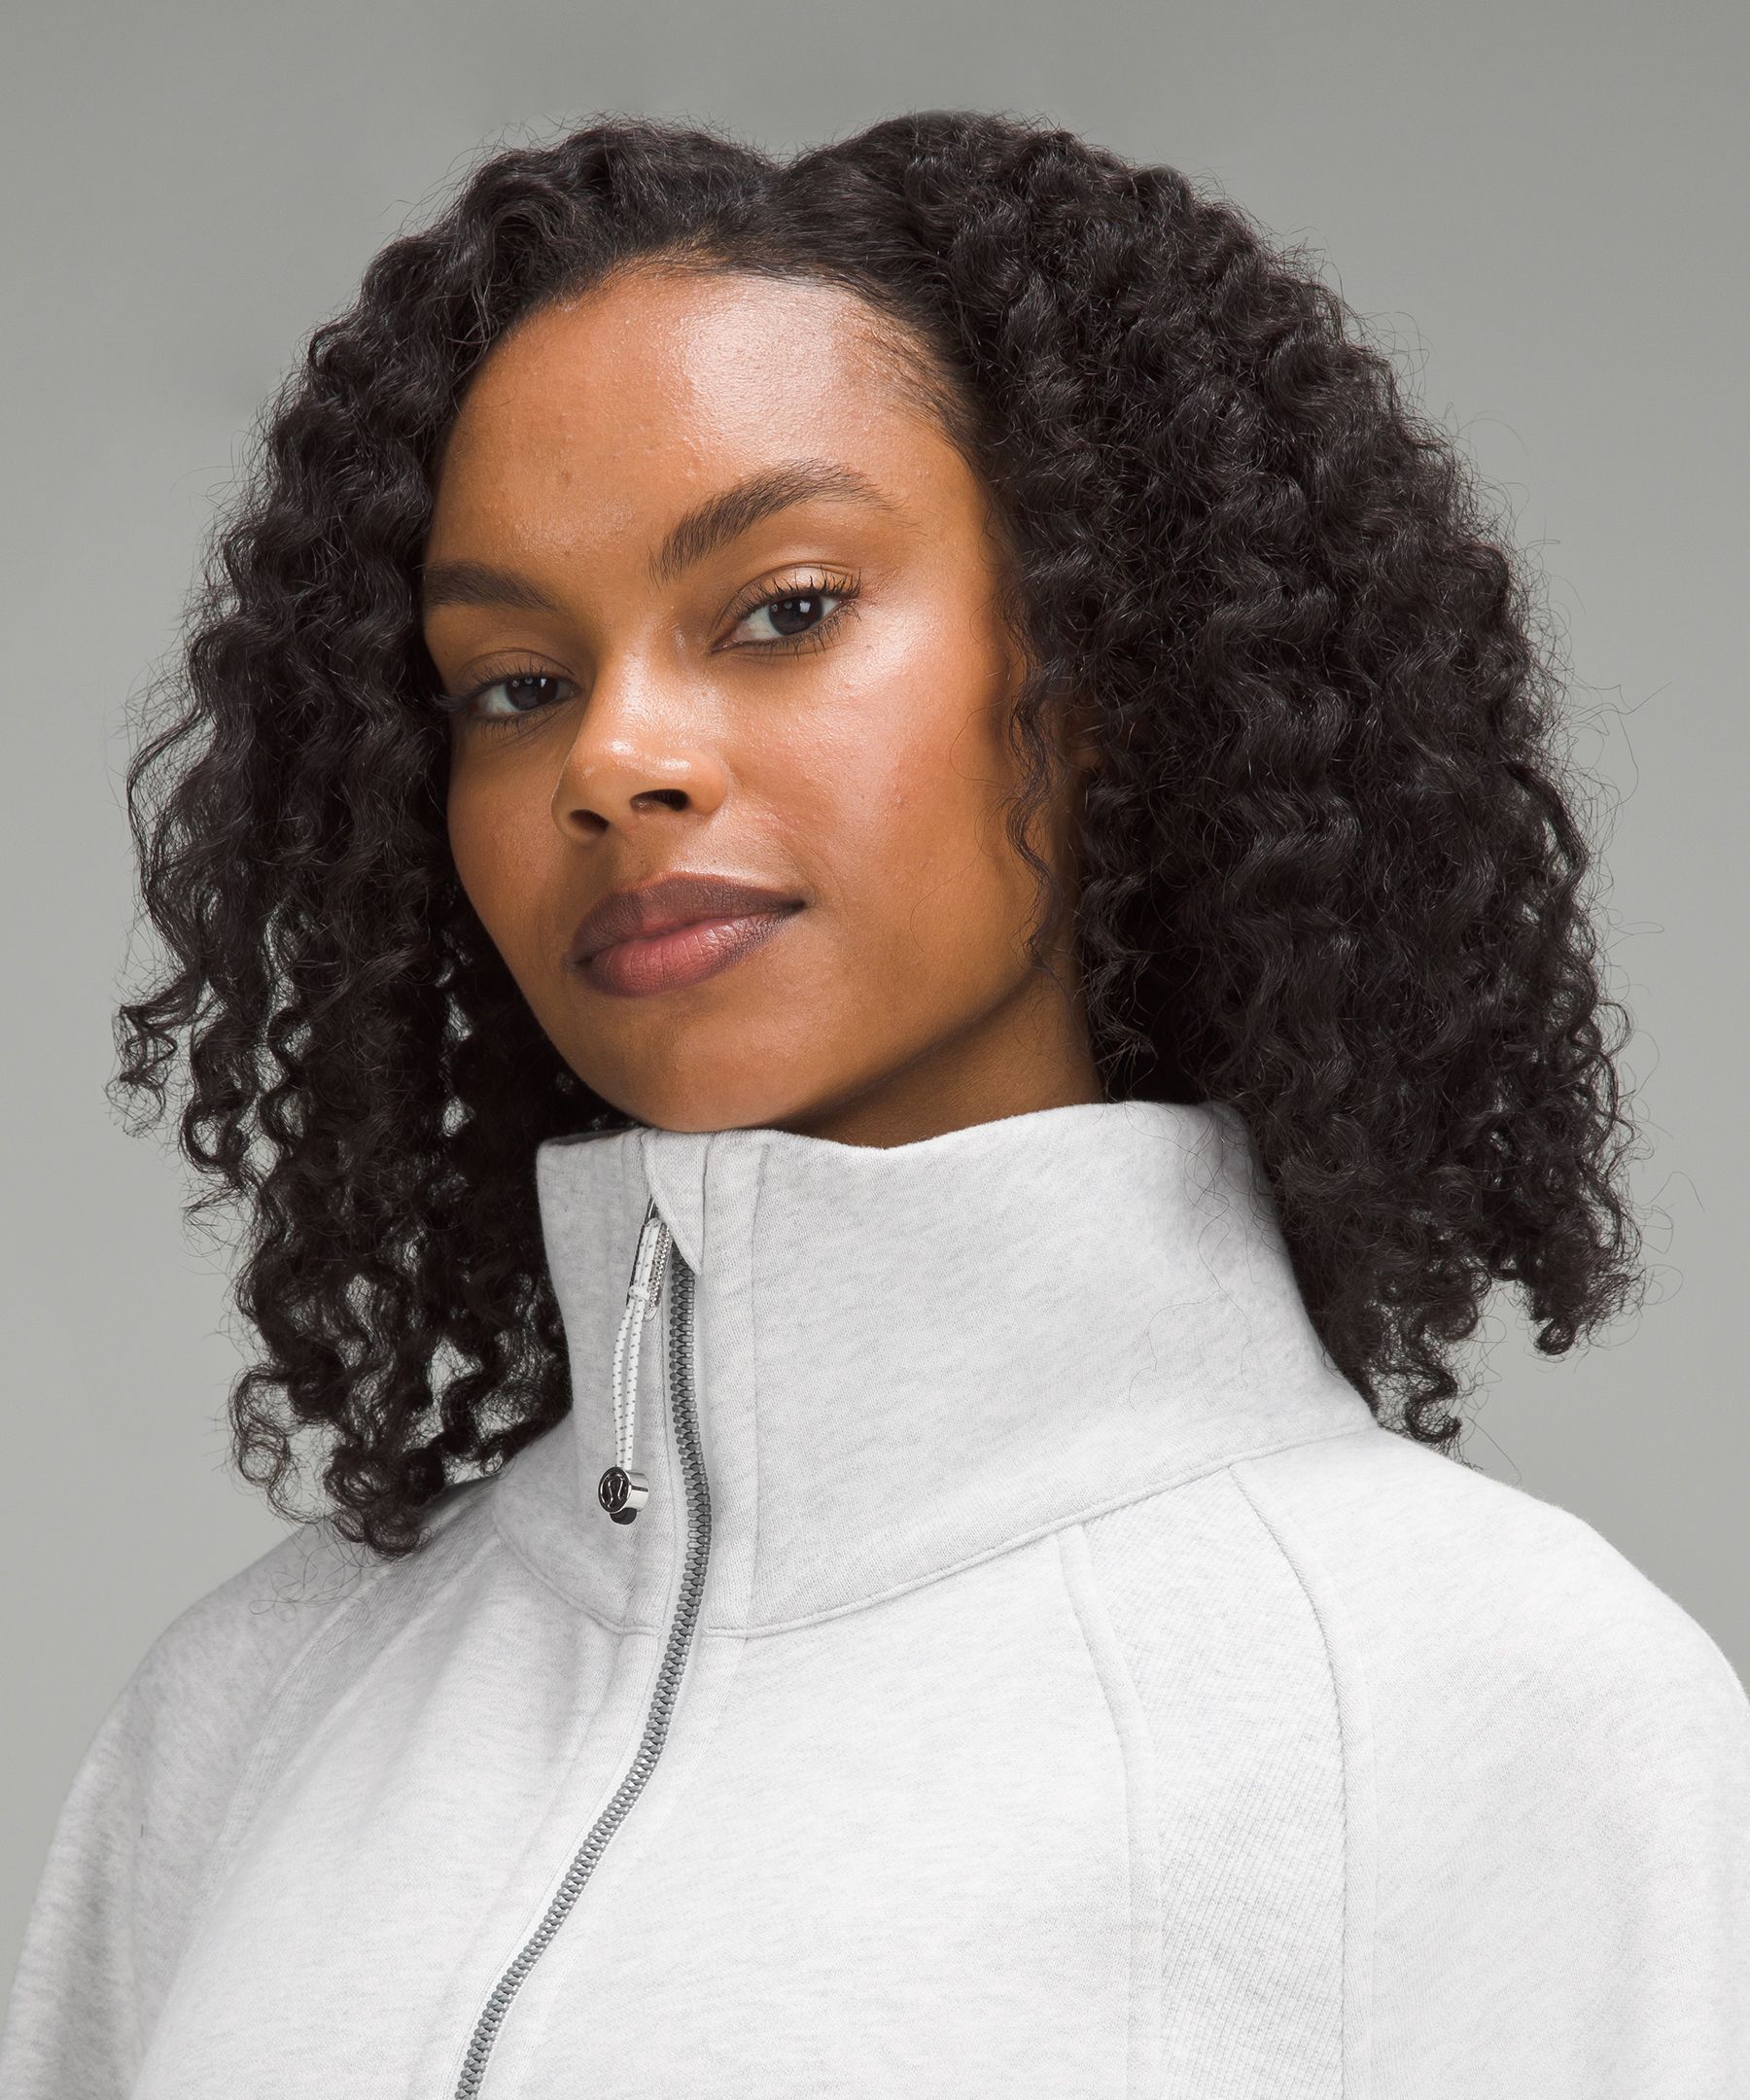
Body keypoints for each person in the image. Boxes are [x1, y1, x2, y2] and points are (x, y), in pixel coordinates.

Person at [3, 108, 1745, 2099]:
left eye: (786, 608)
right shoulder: (250, 1720)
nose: (615, 759)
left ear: (1102, 667)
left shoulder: (1491, 1709)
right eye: (513, 685)